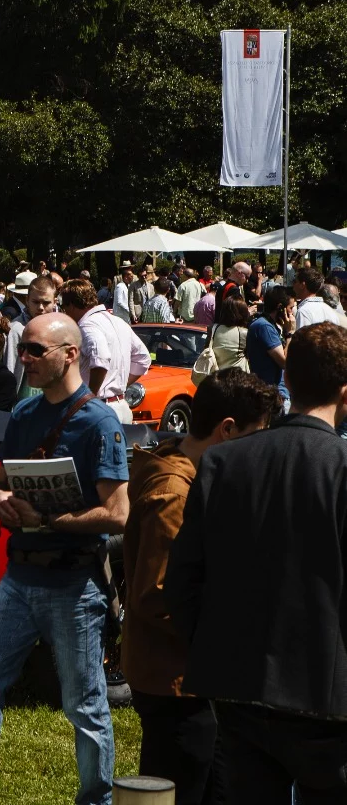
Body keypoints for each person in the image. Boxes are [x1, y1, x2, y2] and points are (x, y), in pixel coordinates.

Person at [0, 312, 129, 805]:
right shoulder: (24, 417)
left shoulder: (99, 422)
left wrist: (49, 522)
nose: (22, 358)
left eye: (34, 350)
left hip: (73, 585)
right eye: (22, 349)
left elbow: (117, 514)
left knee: (83, 704)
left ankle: (97, 799)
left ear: (70, 354)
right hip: (18, 577)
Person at [164, 323, 347, 801]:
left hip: (237, 686)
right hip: (325, 701)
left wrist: (207, 649)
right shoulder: (341, 467)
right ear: (345, 393)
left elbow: (183, 577)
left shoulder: (225, 463)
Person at [123, 369, 277, 805]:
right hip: (175, 680)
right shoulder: (175, 492)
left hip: (192, 673)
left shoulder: (195, 473)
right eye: (256, 435)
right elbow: (159, 594)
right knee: (180, 790)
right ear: (227, 430)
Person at [60, 278, 150, 424]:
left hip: (99, 408)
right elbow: (143, 358)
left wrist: (88, 398)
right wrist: (118, 385)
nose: (65, 313)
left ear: (71, 305)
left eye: (64, 307)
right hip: (121, 405)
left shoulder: (87, 325)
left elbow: (100, 360)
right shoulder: (119, 321)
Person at [245, 286, 292, 402]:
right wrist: (290, 333)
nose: (292, 312)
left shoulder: (269, 325)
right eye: (290, 308)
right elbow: (285, 362)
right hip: (272, 395)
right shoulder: (264, 327)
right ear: (280, 308)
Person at [202, 294, 250, 378]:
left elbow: (206, 348)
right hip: (239, 379)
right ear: (243, 314)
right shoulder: (244, 333)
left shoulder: (213, 328)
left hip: (216, 378)